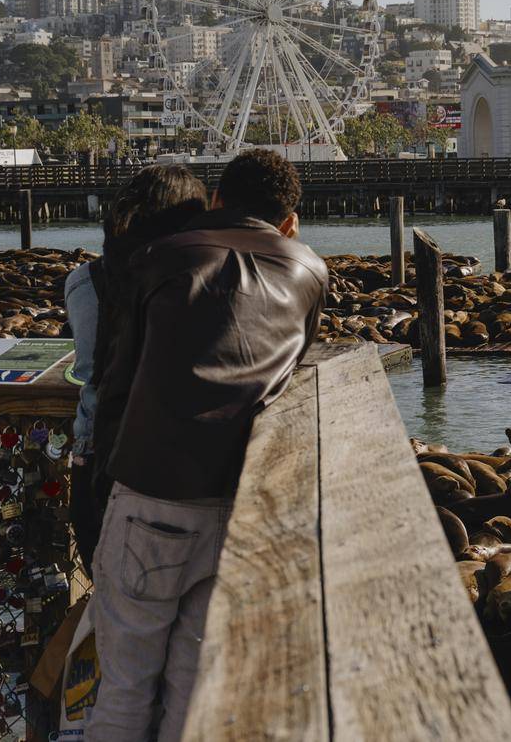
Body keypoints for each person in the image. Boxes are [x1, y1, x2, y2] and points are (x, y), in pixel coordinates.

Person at [87, 149, 328, 742]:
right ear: (290, 223)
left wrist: (100, 477)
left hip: (151, 491)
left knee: (123, 687)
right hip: (241, 502)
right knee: (192, 695)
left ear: (215, 201)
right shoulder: (310, 273)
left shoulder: (163, 259)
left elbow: (120, 378)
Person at [64, 165, 208, 574]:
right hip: (173, 470)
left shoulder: (83, 282)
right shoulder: (194, 280)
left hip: (94, 465)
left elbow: (90, 366)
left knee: (111, 606)